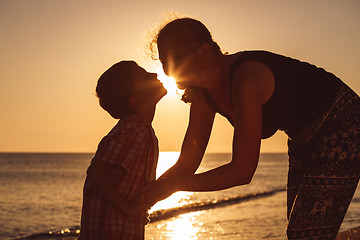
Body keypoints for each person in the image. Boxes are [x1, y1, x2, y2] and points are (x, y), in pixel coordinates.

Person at [139, 18, 360, 239]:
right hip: (303, 140)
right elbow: (187, 163)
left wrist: (175, 186)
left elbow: (242, 171)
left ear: (204, 52)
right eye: (164, 61)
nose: (168, 70)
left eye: (176, 58)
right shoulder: (201, 95)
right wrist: (145, 196)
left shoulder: (246, 78)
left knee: (304, 233)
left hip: (345, 123)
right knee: (302, 232)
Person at [78, 61, 167, 240]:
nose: (155, 75)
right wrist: (127, 208)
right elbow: (97, 170)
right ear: (135, 99)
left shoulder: (137, 129)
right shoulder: (134, 130)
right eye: (144, 76)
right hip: (112, 231)